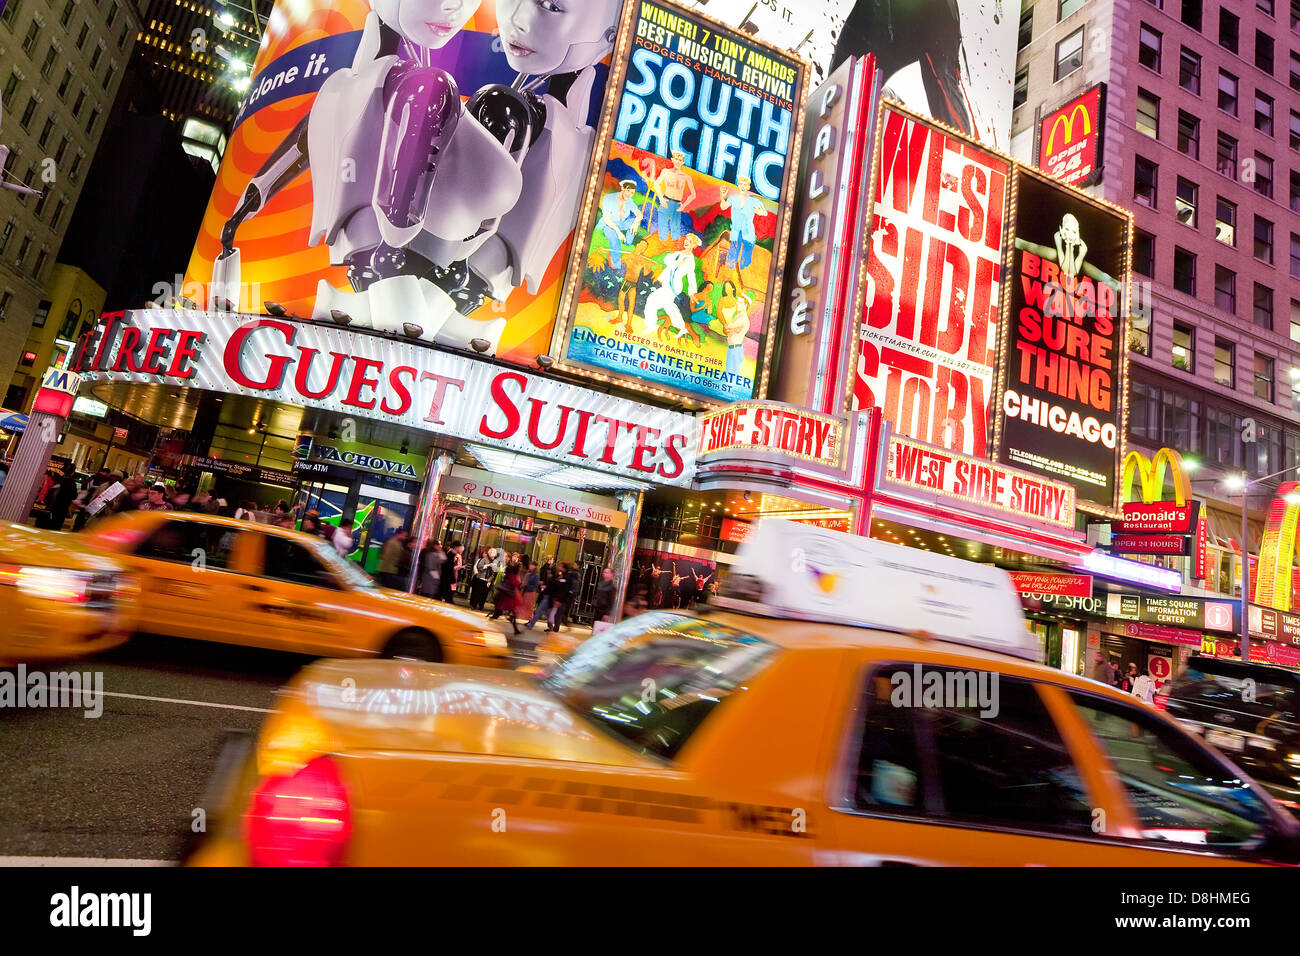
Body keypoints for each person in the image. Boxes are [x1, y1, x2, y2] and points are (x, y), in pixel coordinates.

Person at [642, 233, 700, 339]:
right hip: (667, 283)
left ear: (694, 246)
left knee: (652, 300)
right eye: (686, 239)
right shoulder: (679, 254)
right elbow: (666, 259)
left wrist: (692, 292)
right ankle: (682, 328)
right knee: (669, 307)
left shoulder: (690, 260)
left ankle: (651, 325)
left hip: (673, 286)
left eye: (690, 241)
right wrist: (676, 263)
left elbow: (691, 276)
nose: (686, 242)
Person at [719, 176, 769, 272]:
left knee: (745, 262)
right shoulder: (733, 198)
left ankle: (743, 273)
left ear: (748, 187)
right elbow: (723, 207)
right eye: (741, 184)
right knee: (731, 258)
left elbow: (764, 212)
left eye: (745, 184)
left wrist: (761, 212)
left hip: (748, 234)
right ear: (738, 185)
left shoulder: (753, 201)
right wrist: (723, 196)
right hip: (735, 232)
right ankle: (728, 276)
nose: (742, 186)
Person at [598, 179, 645, 271]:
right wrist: (619, 232)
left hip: (621, 223)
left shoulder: (629, 201)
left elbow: (639, 215)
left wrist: (635, 223)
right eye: (628, 191)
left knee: (635, 221)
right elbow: (607, 219)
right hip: (609, 224)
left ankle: (628, 242)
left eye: (632, 193)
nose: (629, 194)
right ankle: (616, 266)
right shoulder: (609, 198)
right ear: (623, 188)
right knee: (615, 240)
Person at [653, 150, 696, 241]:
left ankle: (673, 247)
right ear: (672, 160)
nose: (678, 162)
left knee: (675, 227)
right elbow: (656, 184)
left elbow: (693, 194)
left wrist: (683, 205)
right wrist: (661, 198)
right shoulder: (666, 172)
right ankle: (662, 244)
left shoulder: (686, 177)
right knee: (662, 225)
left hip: (677, 204)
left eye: (680, 160)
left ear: (683, 162)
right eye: (676, 159)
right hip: (666, 201)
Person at [488, 560, 524, 634]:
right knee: (512, 613)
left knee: (498, 612)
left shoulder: (507, 575)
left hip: (503, 596)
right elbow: (517, 584)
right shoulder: (513, 576)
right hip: (509, 598)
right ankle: (515, 629)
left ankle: (515, 628)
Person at [544, 562, 572, 633]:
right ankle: (557, 627)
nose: (559, 567)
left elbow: (564, 590)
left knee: (558, 614)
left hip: (563, 600)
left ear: (564, 568)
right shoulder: (561, 576)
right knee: (558, 614)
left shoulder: (566, 577)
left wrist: (559, 600)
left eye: (561, 566)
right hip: (560, 599)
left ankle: (556, 629)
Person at [519, 557, 540, 623]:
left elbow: (535, 585)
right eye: (530, 565)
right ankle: (528, 619)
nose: (530, 566)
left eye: (532, 565)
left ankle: (530, 620)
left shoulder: (536, 575)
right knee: (525, 606)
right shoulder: (529, 573)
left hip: (530, 592)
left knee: (529, 607)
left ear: (535, 566)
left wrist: (526, 585)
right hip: (526, 591)